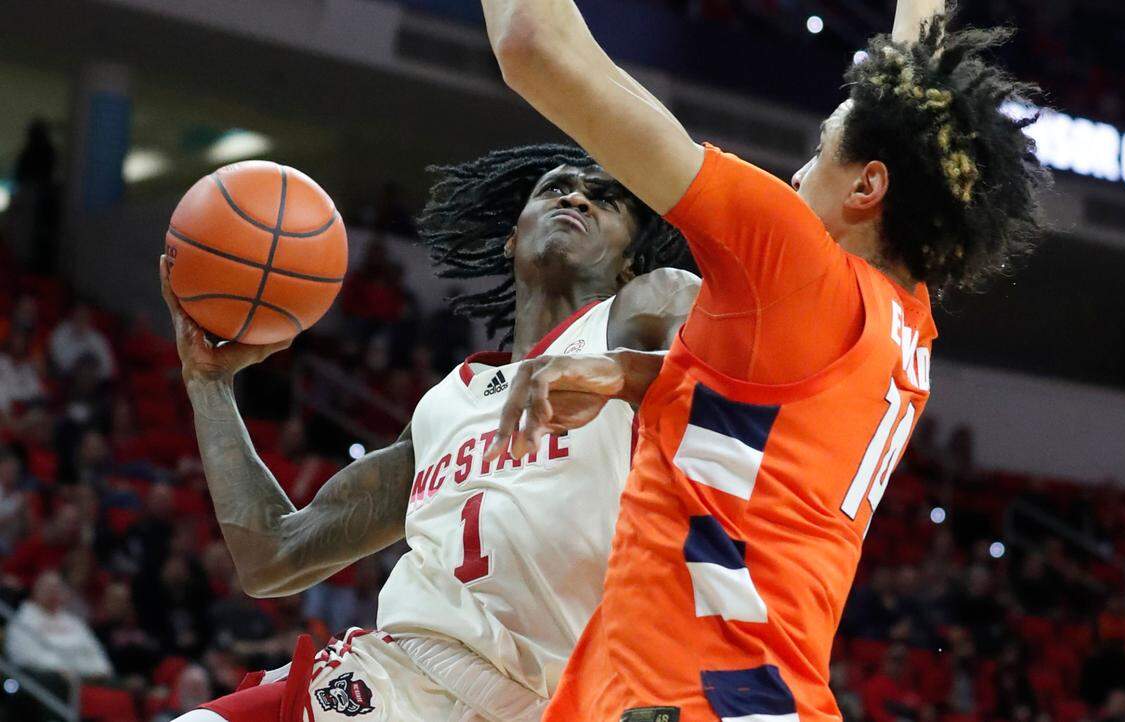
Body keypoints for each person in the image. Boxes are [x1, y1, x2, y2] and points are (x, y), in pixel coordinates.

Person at [481, 0, 1049, 719]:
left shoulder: (792, 262)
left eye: (816, 153)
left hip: (690, 695)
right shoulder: (907, 323)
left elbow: (533, 46)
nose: (795, 175)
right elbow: (757, 429)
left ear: (868, 187)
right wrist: (629, 374)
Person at [162, 143, 698, 722]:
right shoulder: (443, 406)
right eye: (553, 188)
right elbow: (273, 556)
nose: (575, 197)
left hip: (562, 704)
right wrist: (209, 382)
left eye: (606, 200)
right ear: (512, 239)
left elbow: (736, 329)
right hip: (400, 681)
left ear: (630, 265)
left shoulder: (644, 314)